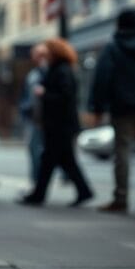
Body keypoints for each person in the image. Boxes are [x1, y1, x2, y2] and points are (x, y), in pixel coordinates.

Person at [89, 10, 135, 213]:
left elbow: (102, 79)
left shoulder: (112, 48)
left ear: (118, 25)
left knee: (122, 152)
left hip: (123, 107)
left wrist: (98, 108)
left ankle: (121, 198)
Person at [20, 38, 94, 207]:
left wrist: (44, 93)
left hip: (60, 124)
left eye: (47, 52)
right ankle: (82, 191)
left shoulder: (62, 70)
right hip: (58, 124)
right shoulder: (59, 69)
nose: (44, 56)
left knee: (51, 160)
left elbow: (65, 96)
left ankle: (39, 194)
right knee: (62, 160)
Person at [20, 43, 49, 184]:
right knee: (34, 149)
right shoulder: (33, 74)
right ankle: (36, 181)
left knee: (47, 150)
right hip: (34, 117)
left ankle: (38, 181)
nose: (35, 58)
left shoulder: (48, 71)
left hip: (46, 117)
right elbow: (26, 95)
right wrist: (25, 108)